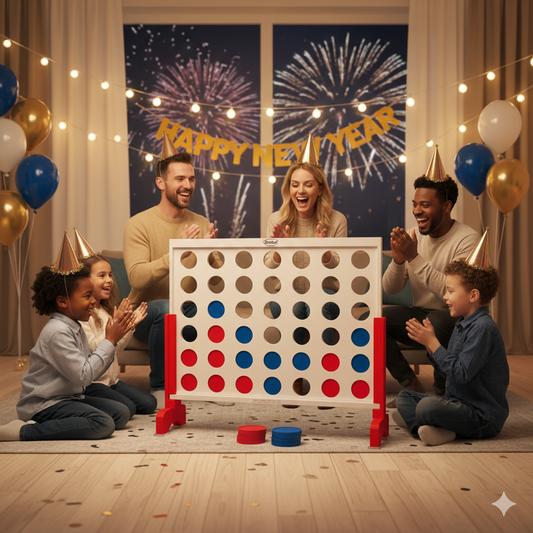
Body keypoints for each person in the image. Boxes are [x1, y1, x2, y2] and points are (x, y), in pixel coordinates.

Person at [123, 132, 228, 409]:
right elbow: (137, 277)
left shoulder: (201, 221)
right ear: (161, 182)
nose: (188, 185)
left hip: (187, 309)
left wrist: (211, 257)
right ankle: (161, 387)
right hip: (143, 313)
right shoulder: (139, 224)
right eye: (180, 179)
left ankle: (209, 381)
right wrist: (177, 252)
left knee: (217, 308)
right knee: (167, 308)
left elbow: (217, 286)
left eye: (191, 179)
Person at [0, 232, 135, 442]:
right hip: (44, 404)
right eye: (87, 296)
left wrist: (115, 338)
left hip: (71, 397)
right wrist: (109, 340)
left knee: (121, 412)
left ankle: (67, 422)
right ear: (63, 302)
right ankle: (23, 431)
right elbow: (84, 375)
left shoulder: (76, 326)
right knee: (103, 424)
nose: (93, 302)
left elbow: (89, 369)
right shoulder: (57, 332)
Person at [382, 146, 479, 408]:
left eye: (425, 205)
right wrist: (399, 260)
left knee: (436, 319)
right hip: (421, 312)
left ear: (446, 206)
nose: (417, 211)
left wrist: (414, 258)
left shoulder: (466, 239)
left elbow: (453, 294)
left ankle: (441, 389)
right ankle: (410, 384)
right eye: (415, 204)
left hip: (454, 317)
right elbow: (390, 289)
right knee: (375, 321)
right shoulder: (414, 237)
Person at [392, 229, 509, 446]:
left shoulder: (483, 328)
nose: (444, 296)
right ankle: (427, 425)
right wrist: (429, 346)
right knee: (404, 398)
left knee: (426, 407)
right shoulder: (462, 324)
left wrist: (433, 343)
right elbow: (448, 368)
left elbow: (461, 373)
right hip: (456, 403)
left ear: (473, 295)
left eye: (450, 291)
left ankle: (424, 423)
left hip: (482, 415)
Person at [265, 133, 347, 406]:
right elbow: (268, 265)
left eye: (308, 185)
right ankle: (296, 377)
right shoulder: (277, 219)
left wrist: (321, 253)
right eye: (295, 185)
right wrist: (281, 249)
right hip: (286, 293)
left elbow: (338, 269)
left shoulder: (336, 220)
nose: (301, 191)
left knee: (317, 305)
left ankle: (320, 378)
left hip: (325, 293)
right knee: (294, 307)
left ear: (320, 189)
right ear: (289, 189)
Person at [79, 237, 156, 417]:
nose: (109, 280)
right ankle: (83, 402)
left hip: (111, 382)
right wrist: (113, 331)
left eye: (110, 275)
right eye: (102, 275)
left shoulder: (105, 312)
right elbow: (92, 349)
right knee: (126, 409)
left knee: (149, 403)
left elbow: (114, 351)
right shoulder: (82, 314)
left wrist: (127, 327)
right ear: (85, 280)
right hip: (93, 384)